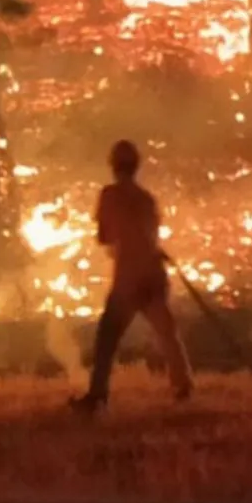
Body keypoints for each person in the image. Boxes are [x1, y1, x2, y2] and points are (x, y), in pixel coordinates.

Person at [72, 140, 193, 413]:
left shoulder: (110, 195)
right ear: (136, 166)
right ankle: (183, 386)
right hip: (153, 274)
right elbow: (151, 234)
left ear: (113, 166)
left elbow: (104, 237)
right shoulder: (146, 198)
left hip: (128, 280)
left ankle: (97, 395)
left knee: (107, 339)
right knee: (167, 334)